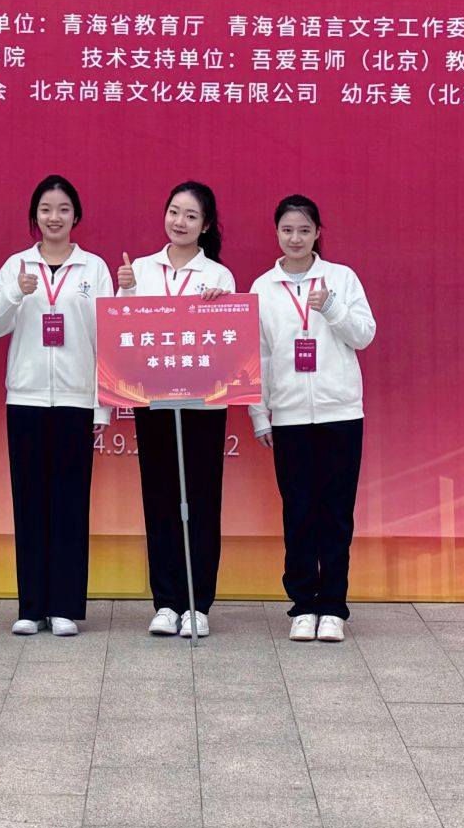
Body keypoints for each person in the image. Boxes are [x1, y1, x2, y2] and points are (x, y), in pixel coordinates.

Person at [0, 174, 114, 637]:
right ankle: (31, 606)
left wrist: (101, 407)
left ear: (76, 216)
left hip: (77, 401)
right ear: (34, 216)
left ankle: (64, 607)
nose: (54, 217)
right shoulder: (15, 266)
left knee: (71, 504)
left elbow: (107, 340)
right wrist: (16, 292)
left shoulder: (94, 268)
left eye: (62, 209)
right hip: (26, 398)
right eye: (45, 209)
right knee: (30, 502)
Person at [250, 194, 375, 643]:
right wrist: (260, 415)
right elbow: (259, 356)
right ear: (276, 233)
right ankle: (303, 605)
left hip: (341, 413)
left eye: (304, 230)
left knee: (336, 514)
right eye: (287, 230)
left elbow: (364, 334)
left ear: (318, 233)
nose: (296, 238)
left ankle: (333, 607)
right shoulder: (263, 287)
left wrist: (332, 308)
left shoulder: (341, 278)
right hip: (289, 417)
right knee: (299, 512)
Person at [117, 181, 237, 637]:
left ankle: (198, 604)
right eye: (173, 212)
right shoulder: (139, 269)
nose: (179, 222)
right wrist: (126, 292)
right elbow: (121, 330)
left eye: (190, 215)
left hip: (204, 401)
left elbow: (229, 339)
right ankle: (166, 602)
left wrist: (220, 307)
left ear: (205, 225)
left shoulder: (218, 275)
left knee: (203, 498)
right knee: (160, 496)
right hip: (152, 399)